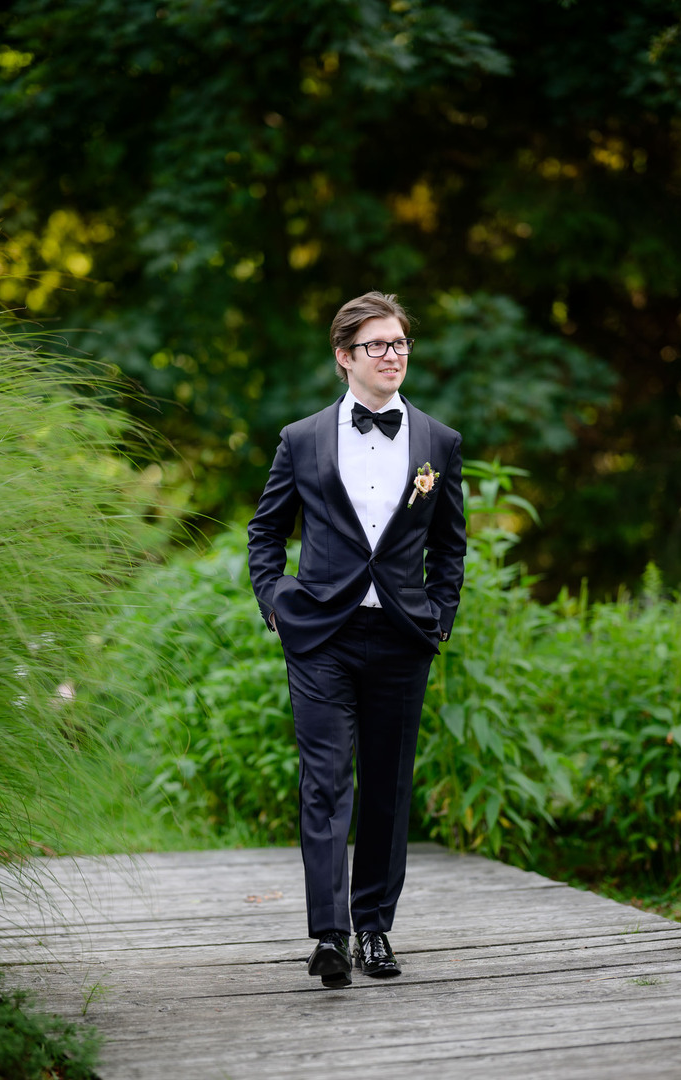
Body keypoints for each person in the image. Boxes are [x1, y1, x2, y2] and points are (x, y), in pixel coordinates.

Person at [247, 291, 466, 989]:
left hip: (402, 635)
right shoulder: (301, 439)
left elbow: (450, 545)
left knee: (387, 788)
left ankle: (375, 929)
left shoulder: (439, 442)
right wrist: (276, 603)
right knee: (325, 784)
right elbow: (265, 534)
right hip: (321, 636)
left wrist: (438, 614)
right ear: (344, 358)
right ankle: (331, 936)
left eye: (400, 343)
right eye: (378, 345)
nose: (393, 356)